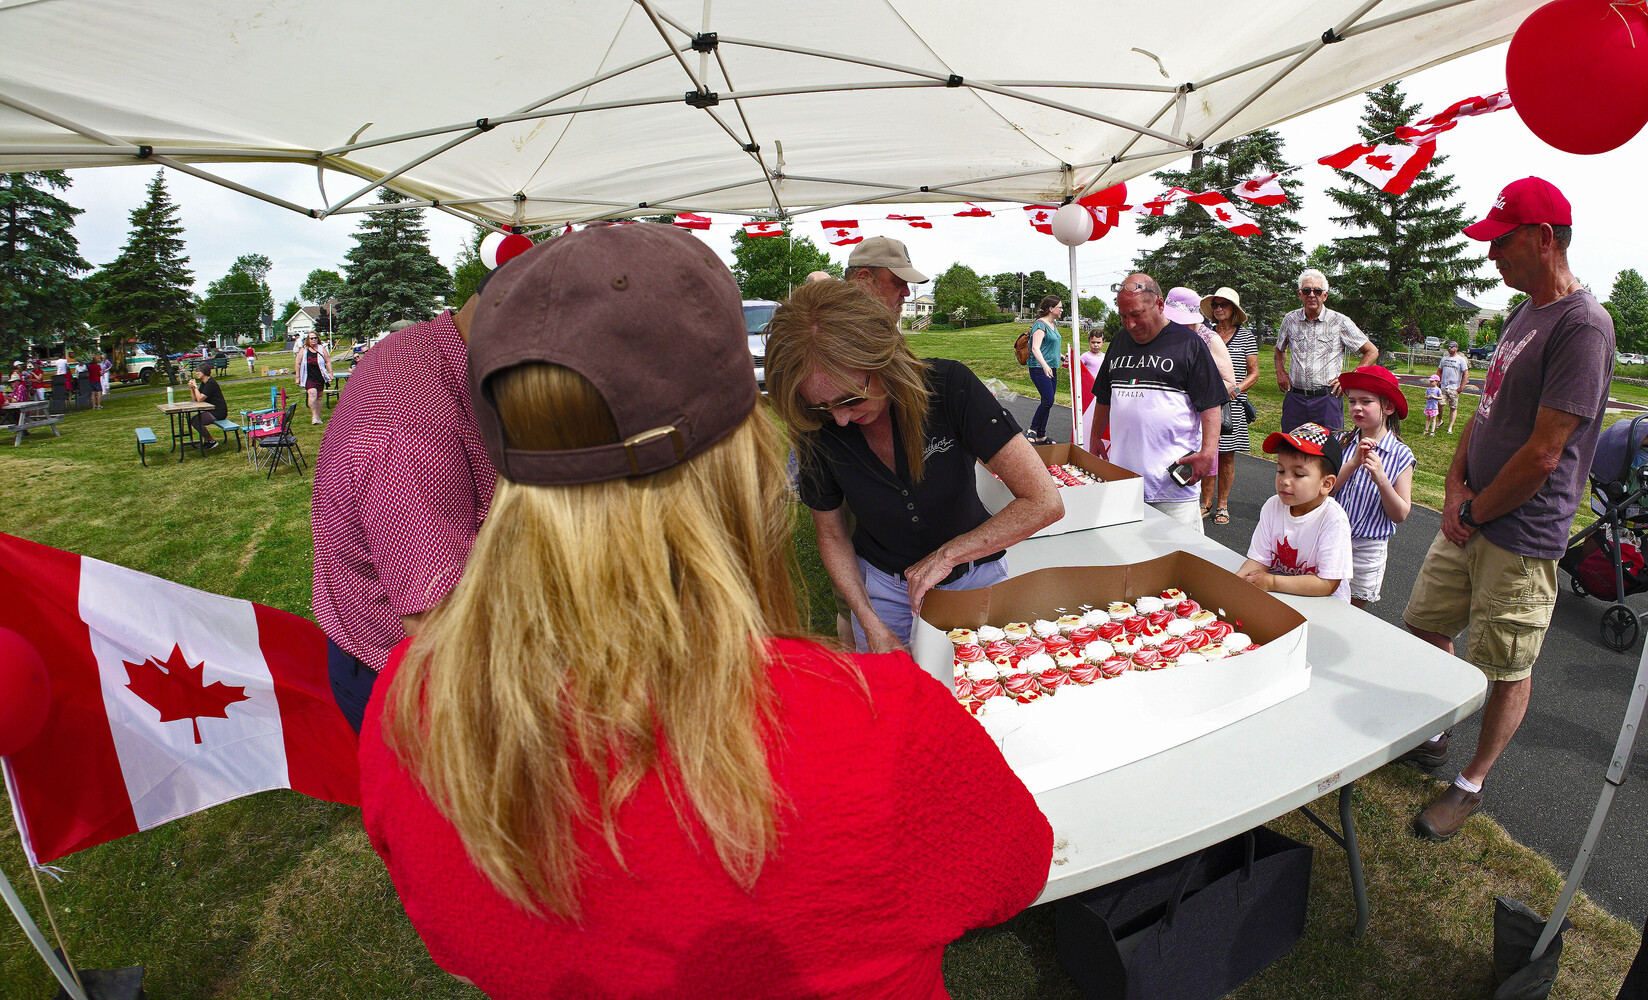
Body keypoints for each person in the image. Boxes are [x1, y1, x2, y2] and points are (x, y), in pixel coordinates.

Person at [358, 223, 1053, 998]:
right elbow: (1012, 872)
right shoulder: (876, 723)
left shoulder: (414, 703)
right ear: (743, 461)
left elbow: (457, 940)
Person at [1401, 177, 1615, 842]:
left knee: (1506, 665)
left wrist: (1475, 511)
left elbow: (1546, 453)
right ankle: (1437, 729)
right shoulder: (1524, 313)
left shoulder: (1583, 326)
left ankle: (1471, 783)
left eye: (1502, 241)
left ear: (1544, 239)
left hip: (1521, 531)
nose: (1491, 254)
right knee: (1425, 623)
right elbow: (1487, 408)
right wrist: (1455, 485)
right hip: (1474, 514)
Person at [767, 280, 1063, 652]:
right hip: (882, 592)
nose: (839, 419)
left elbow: (1044, 501)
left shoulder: (949, 387)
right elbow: (831, 535)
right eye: (822, 405)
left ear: (884, 358)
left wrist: (948, 555)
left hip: (976, 581)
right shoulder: (817, 427)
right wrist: (869, 623)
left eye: (851, 399)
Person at [312, 281, 499, 732]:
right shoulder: (413, 437)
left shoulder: (429, 343)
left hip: (379, 645)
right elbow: (436, 624)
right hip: (415, 679)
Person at [1091, 274, 1228, 533]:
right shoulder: (1119, 341)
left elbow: (1211, 403)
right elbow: (1104, 395)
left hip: (1171, 487)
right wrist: (1095, 436)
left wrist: (1209, 453)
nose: (1130, 324)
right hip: (1123, 482)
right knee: (1126, 550)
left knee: (1178, 553)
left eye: (1136, 314)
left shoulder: (1188, 343)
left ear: (1160, 305)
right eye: (1123, 316)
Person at [1238, 422, 1352, 602]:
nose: (1284, 481)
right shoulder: (1273, 506)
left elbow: (1328, 583)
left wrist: (1272, 582)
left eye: (1298, 474)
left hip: (1324, 605)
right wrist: (1234, 584)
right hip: (1282, 598)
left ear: (1326, 484)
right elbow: (1258, 560)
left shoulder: (1332, 518)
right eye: (1281, 470)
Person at [1331, 366, 1414, 609]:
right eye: (1352, 401)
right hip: (1331, 537)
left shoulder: (1401, 455)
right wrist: (1353, 463)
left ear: (1388, 407)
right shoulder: (1341, 442)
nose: (1356, 407)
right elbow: (1325, 490)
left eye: (1366, 401)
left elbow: (1400, 513)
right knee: (1322, 599)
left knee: (1352, 610)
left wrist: (1382, 480)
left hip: (1367, 548)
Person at [1275, 269, 1379, 433]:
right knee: (1291, 446)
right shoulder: (1290, 320)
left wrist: (1349, 379)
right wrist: (1280, 372)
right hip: (1295, 399)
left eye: (1317, 291)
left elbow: (1371, 351)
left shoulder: (1340, 321)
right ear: (1299, 294)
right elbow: (1279, 349)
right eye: (1306, 290)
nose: (1312, 295)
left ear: (1325, 295)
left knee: (1329, 447)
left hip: (1327, 400)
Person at [1201, 286, 1260, 525]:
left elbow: (1254, 373)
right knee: (1207, 453)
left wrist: (1237, 389)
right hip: (1207, 403)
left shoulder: (1245, 337)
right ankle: (1205, 503)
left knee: (1226, 456)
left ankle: (1222, 505)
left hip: (1233, 405)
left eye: (1223, 304)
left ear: (1233, 309)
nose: (1218, 308)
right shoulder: (1206, 334)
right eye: (1215, 305)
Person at [843, 235, 927, 313]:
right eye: (898, 283)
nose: (907, 293)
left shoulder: (841, 318)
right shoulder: (839, 323)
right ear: (863, 280)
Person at [1025, 295, 1063, 444]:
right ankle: (1032, 429)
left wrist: (1061, 356)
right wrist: (1045, 365)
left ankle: (1041, 435)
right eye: (1059, 307)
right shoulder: (1040, 325)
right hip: (1039, 368)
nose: (1062, 310)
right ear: (1051, 308)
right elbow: (1035, 348)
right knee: (1048, 400)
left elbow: (1050, 346)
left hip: (1051, 367)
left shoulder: (1054, 325)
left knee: (1048, 401)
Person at [295, 333, 333, 425]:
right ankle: (314, 417)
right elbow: (298, 363)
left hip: (320, 376)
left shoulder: (321, 348)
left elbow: (328, 361)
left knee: (319, 396)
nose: (313, 340)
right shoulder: (304, 350)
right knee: (312, 393)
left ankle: (318, 417)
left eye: (315, 338)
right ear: (308, 340)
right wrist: (297, 377)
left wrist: (330, 373)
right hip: (308, 376)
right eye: (311, 338)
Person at [187, 367, 227, 451]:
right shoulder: (204, 383)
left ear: (204, 372)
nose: (197, 373)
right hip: (211, 410)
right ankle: (208, 440)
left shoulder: (210, 383)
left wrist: (195, 386)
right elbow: (195, 399)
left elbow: (200, 399)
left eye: (199, 371)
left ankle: (212, 441)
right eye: (196, 371)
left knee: (196, 421)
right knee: (194, 420)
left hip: (218, 411)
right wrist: (192, 388)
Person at [1078, 330, 1105, 450]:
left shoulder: (1104, 356)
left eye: (1098, 342)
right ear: (1089, 341)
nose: (1095, 345)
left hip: (1099, 390)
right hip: (1088, 391)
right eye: (1093, 342)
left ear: (1103, 342)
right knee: (1089, 413)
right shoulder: (1085, 356)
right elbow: (1077, 367)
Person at [1437, 340, 1470, 434]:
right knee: (1439, 404)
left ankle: (1450, 427)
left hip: (1454, 388)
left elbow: (1466, 374)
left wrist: (1461, 387)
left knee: (1453, 407)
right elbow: (1439, 371)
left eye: (1452, 347)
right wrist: (1438, 381)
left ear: (1456, 348)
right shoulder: (1444, 359)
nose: (1449, 348)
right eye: (1449, 347)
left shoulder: (1460, 360)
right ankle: (1440, 421)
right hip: (1443, 387)